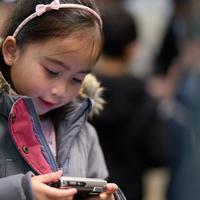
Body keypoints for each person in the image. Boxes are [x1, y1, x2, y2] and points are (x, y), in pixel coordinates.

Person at [0, 0, 126, 199]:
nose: (60, 90)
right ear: (11, 51)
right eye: (52, 71)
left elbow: (101, 181)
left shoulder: (84, 134)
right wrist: (19, 192)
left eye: (77, 79)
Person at [90, 4, 172, 200]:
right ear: (132, 49)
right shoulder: (144, 98)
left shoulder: (78, 93)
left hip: (85, 192)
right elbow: (159, 154)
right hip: (128, 192)